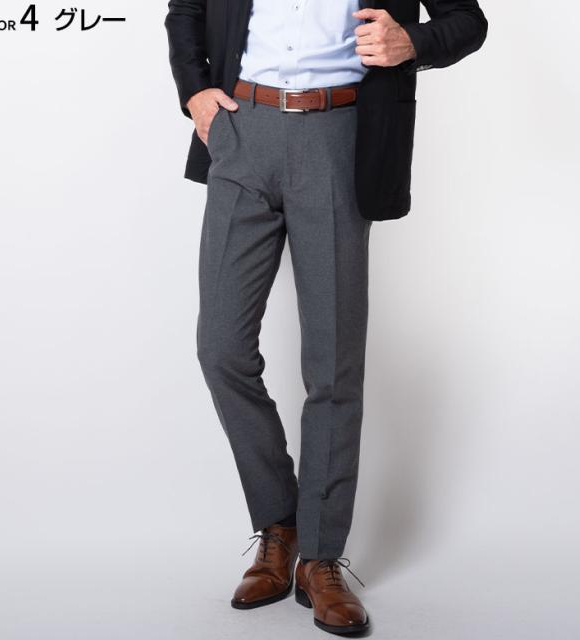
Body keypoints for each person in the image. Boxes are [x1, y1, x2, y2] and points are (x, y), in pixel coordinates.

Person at [165, 0, 487, 634]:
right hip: (242, 128)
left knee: (333, 363)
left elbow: (467, 21)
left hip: (339, 133)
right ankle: (278, 524)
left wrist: (411, 41)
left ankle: (320, 556)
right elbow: (186, 10)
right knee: (220, 347)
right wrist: (194, 91)